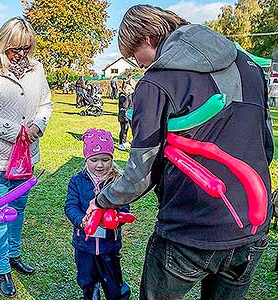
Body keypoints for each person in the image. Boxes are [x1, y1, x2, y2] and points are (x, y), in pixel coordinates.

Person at [86, 5, 273, 300]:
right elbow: (266, 146)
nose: (137, 65)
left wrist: (102, 200)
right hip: (251, 224)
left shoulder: (156, 81)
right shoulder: (249, 66)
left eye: (134, 55)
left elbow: (140, 174)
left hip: (190, 229)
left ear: (147, 37)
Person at [0, 16, 53, 298]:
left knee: (18, 208)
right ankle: (2, 265)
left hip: (27, 155)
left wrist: (38, 125)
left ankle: (14, 254)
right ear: (3, 45)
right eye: (15, 49)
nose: (20, 54)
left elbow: (46, 102)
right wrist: (15, 130)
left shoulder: (37, 68)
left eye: (25, 48)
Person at [65, 128, 131, 300]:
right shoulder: (77, 181)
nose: (100, 165)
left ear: (112, 159)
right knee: (86, 281)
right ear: (86, 159)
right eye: (94, 160)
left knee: (113, 284)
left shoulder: (117, 182)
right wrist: (82, 221)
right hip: (84, 245)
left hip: (109, 245)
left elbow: (124, 209)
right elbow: (71, 207)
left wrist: (114, 220)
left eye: (105, 159)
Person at [117, 77, 135, 150]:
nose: (129, 91)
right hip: (123, 115)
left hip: (127, 115)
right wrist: (128, 95)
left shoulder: (128, 95)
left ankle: (124, 141)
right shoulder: (122, 95)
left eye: (130, 89)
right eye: (128, 89)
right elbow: (125, 104)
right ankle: (121, 143)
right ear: (124, 89)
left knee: (127, 128)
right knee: (123, 129)